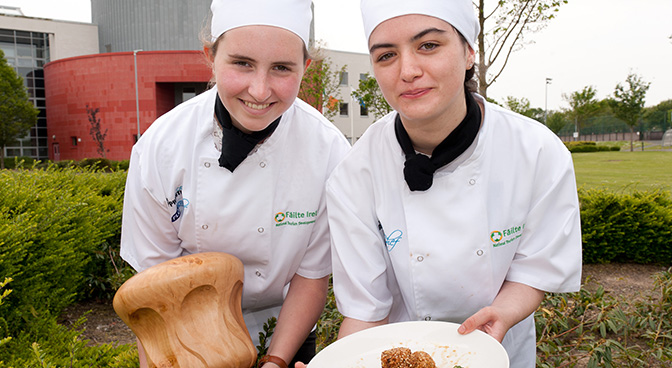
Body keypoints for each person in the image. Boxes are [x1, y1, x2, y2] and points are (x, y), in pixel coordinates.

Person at [322, 0, 582, 366]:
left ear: (469, 51)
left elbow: (535, 268)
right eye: (386, 56)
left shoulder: (536, 151)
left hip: (503, 350)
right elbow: (366, 310)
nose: (408, 70)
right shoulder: (355, 174)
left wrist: (503, 313)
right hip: (398, 356)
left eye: (428, 45)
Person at [119, 0, 350, 367]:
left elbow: (311, 277)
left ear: (305, 68)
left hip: (286, 328)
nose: (259, 91)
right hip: (187, 333)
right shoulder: (162, 148)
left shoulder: (328, 151)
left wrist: (275, 361)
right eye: (242, 63)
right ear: (211, 56)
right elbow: (155, 292)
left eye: (281, 68)